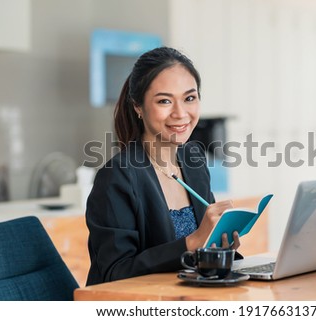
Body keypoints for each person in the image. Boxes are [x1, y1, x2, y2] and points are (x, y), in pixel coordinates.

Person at [85, 47, 240, 286]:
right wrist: (193, 242)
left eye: (189, 98)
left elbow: (197, 258)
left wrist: (217, 245)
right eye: (165, 101)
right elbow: (113, 274)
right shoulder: (117, 176)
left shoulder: (193, 159)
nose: (180, 113)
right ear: (138, 106)